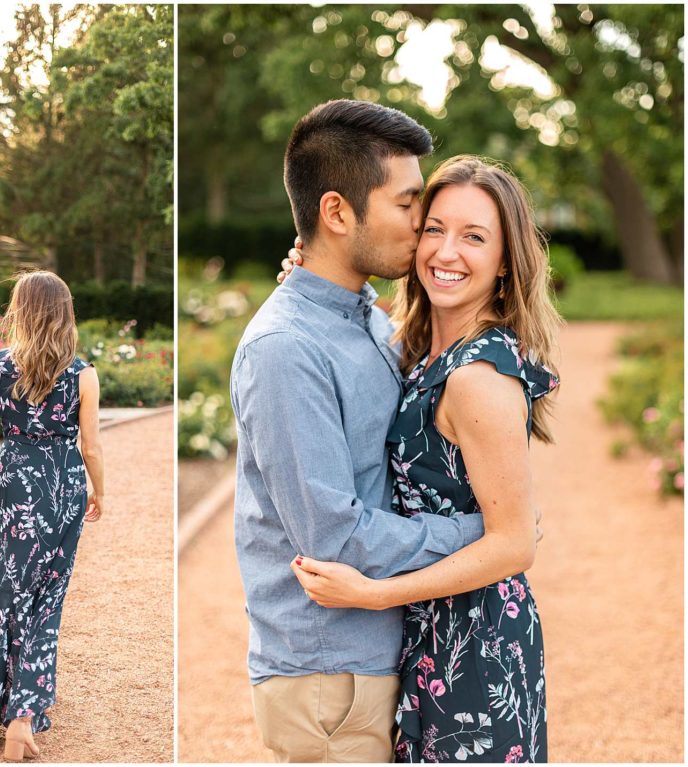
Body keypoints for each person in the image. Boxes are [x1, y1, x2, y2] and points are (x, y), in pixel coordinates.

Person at [230, 99, 491, 763]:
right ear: (338, 212)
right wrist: (478, 532)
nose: (423, 226)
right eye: (408, 205)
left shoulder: (365, 316)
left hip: (375, 654)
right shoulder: (285, 349)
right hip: (330, 672)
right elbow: (335, 535)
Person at [286, 155, 560, 763]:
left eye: (474, 237)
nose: (446, 251)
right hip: (428, 634)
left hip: (476, 641)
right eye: (434, 228)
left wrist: (375, 593)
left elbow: (516, 543)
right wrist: (306, 279)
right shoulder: (418, 341)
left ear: (506, 261)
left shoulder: (479, 376)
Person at [0, 271, 105, 761]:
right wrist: (101, 493)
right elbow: (91, 446)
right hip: (64, 484)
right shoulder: (83, 374)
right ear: (65, 312)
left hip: (17, 481)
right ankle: (23, 716)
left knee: (7, 587)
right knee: (48, 596)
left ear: (20, 311)